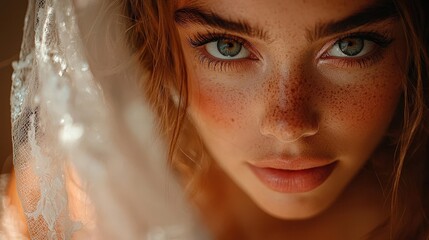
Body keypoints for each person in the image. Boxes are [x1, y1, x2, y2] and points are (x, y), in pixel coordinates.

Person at [3, 0, 428, 239]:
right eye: (227, 46)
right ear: (159, 47)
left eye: (351, 46)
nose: (288, 124)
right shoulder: (72, 205)